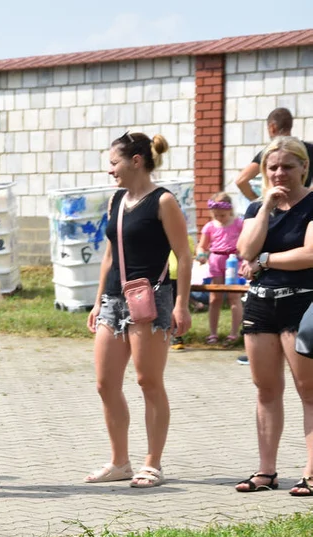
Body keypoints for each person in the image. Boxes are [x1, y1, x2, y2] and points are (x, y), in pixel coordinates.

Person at [84, 132, 192, 488]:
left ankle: (152, 463)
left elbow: (184, 254)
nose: (110, 170)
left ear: (136, 161)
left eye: (114, 163)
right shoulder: (116, 201)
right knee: (105, 384)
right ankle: (119, 462)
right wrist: (99, 300)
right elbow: (110, 255)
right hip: (114, 301)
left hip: (152, 299)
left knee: (148, 381)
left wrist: (181, 304)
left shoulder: (163, 201)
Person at [232, 137, 313, 496]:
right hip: (261, 305)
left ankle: (311, 471)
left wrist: (264, 260)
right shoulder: (256, 208)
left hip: (302, 304)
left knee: (308, 390)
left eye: (287, 167)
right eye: (272, 167)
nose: (279, 173)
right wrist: (265, 205)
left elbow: (309, 255)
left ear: (304, 168)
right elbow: (244, 249)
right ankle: (266, 471)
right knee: (266, 390)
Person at [195, 192, 243, 344]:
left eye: (222, 215)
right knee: (215, 297)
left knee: (233, 296)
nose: (220, 218)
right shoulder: (209, 226)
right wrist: (201, 255)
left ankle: (235, 333)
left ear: (230, 210)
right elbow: (202, 246)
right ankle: (213, 333)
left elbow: (247, 241)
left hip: (233, 261)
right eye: (216, 215)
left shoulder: (238, 224)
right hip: (216, 261)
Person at [235, 108, 313, 201]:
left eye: (288, 167)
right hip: (303, 205)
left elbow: (241, 180)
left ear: (272, 127)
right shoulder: (308, 149)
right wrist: (307, 197)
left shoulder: (272, 152)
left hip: (277, 206)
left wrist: (258, 201)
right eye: (273, 168)